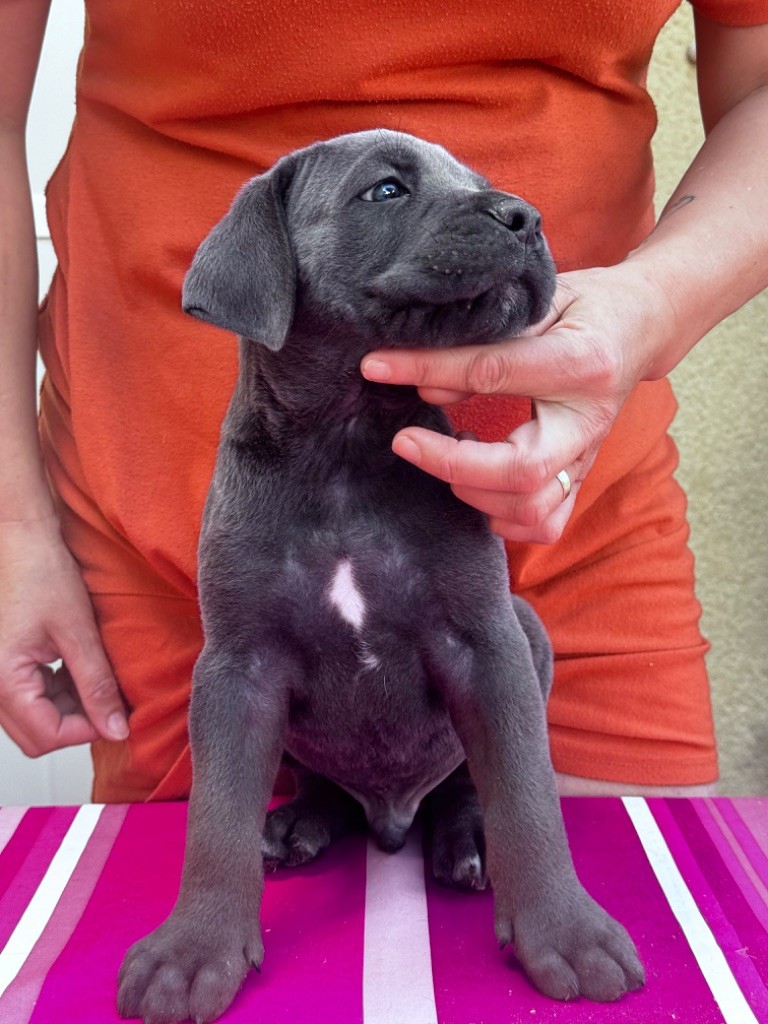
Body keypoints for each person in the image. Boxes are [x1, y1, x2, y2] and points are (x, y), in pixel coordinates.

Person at [0, 0, 766, 803]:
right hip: (197, 584)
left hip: (572, 541)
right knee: (201, 919)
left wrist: (655, 302)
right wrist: (16, 529)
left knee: (622, 917)